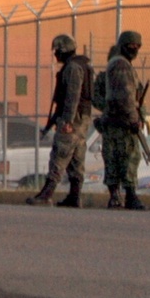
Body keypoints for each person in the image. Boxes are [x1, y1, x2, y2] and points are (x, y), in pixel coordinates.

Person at [26, 34, 94, 207]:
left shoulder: (72, 68)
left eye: (57, 51)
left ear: (64, 50)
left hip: (73, 118)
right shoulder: (82, 65)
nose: (56, 55)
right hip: (82, 118)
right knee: (76, 158)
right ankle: (74, 196)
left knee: (60, 155)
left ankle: (47, 194)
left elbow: (72, 96)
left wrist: (68, 121)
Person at [102, 30, 146, 210]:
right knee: (128, 157)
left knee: (113, 159)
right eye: (130, 45)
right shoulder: (122, 65)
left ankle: (115, 197)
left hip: (113, 120)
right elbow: (126, 96)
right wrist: (134, 119)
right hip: (122, 122)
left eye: (137, 46)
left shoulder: (115, 63)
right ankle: (130, 196)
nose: (134, 49)